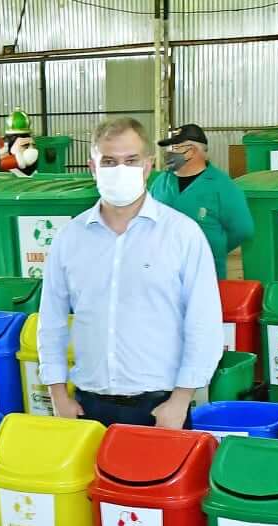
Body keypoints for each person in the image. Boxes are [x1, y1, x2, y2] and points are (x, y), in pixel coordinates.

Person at [39, 116, 222, 429]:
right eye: (109, 161)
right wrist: (58, 393)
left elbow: (203, 322)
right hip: (87, 407)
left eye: (131, 160)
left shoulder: (182, 235)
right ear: (93, 167)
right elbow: (51, 320)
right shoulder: (70, 238)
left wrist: (180, 400)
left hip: (160, 407)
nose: (119, 170)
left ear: (148, 166)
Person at [148, 124, 254, 279]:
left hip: (205, 274)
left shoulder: (223, 186)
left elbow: (243, 230)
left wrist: (213, 248)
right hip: (162, 272)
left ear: (191, 151)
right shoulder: (161, 182)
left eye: (175, 148)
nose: (169, 153)